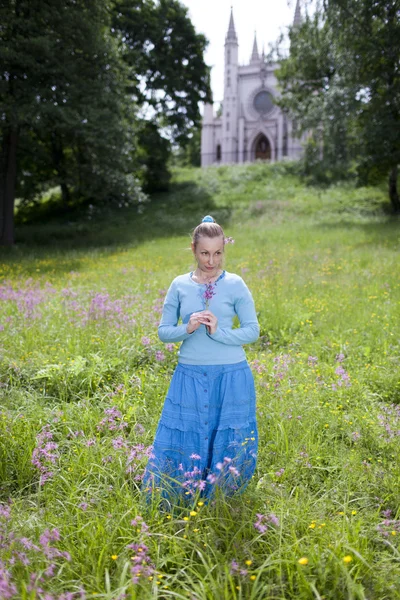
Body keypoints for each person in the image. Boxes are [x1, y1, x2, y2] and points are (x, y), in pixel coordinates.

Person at [142, 216, 259, 505]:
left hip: (231, 375)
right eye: (205, 253)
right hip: (190, 374)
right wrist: (188, 328)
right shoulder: (179, 285)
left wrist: (219, 332)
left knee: (227, 439)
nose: (211, 260)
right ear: (193, 249)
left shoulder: (235, 284)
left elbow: (252, 330)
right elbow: (163, 332)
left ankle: (225, 499)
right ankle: (180, 497)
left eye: (218, 253)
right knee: (187, 436)